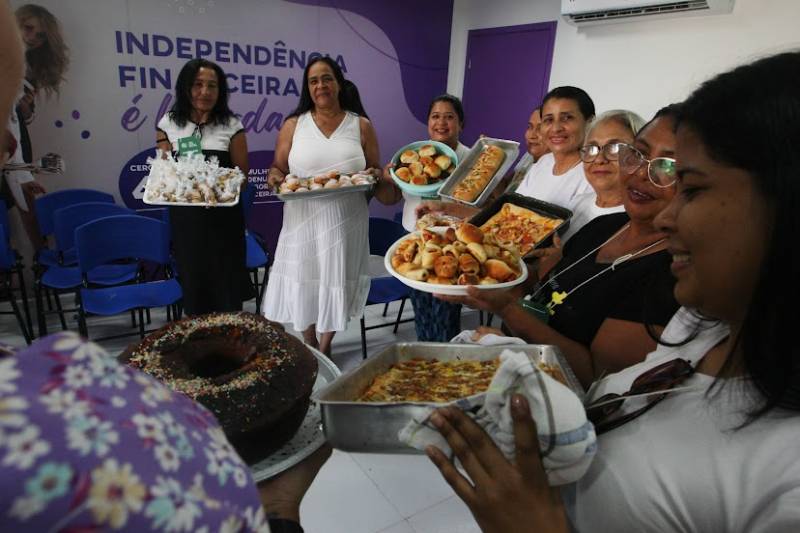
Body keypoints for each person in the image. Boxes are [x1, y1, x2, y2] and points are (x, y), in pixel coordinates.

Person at [426, 51, 800, 532]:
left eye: (688, 185)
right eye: (636, 155)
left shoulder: (784, 477)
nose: (664, 211)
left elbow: (591, 366)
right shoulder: (702, 321)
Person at [437, 106, 681, 388]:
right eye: (638, 154)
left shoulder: (669, 273)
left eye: (668, 165)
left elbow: (597, 378)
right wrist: (492, 280)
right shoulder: (601, 226)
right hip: (513, 364)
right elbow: (543, 292)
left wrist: (506, 309)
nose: (641, 172)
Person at [262, 57, 397, 356]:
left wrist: (375, 175)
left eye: (326, 78)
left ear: (338, 82)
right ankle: (309, 340)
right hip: (302, 219)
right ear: (307, 88)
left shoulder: (361, 125)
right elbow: (278, 168)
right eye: (313, 81)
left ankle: (325, 345)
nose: (320, 85)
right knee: (305, 279)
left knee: (338, 277)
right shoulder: (293, 125)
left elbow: (374, 168)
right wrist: (274, 179)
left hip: (346, 220)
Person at [156, 58, 250, 315]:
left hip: (224, 222)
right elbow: (165, 174)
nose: (205, 92)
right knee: (195, 292)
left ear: (220, 91)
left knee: (227, 293)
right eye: (198, 85)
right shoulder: (168, 125)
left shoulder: (232, 125)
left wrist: (219, 192)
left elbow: (242, 177)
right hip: (188, 223)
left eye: (212, 86)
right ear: (185, 87)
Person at [383, 94, 472, 341]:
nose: (441, 123)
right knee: (421, 308)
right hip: (414, 240)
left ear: (461, 124)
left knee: (446, 309)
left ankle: (445, 358)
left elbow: (482, 202)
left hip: (450, 243)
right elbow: (390, 198)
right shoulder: (413, 157)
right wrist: (387, 179)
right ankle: (427, 352)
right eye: (435, 116)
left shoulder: (470, 159)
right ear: (427, 122)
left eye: (449, 117)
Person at [2, 3, 68, 250]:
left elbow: (19, 116)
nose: (32, 38)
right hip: (7, 137)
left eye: (40, 36)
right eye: (28, 28)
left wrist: (26, 110)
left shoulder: (28, 68)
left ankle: (41, 262)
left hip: (15, 137)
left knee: (24, 200)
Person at [513, 86, 595, 208]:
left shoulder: (593, 176)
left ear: (590, 122)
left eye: (567, 118)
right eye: (549, 120)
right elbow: (513, 209)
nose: (556, 128)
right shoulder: (544, 162)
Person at [505, 105, 549, 192]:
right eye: (530, 127)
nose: (532, 136)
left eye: (540, 129)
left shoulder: (552, 172)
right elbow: (506, 190)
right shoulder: (528, 156)